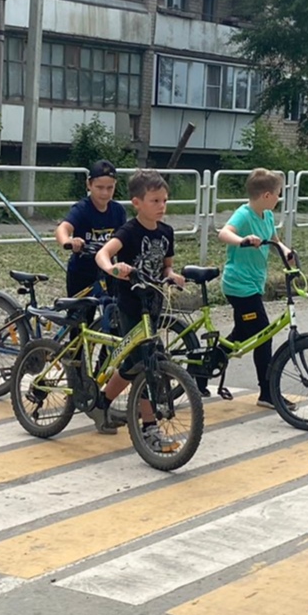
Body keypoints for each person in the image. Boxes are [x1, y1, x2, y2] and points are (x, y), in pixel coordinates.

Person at [93, 169, 187, 436]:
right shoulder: (129, 231)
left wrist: (173, 276)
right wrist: (112, 268)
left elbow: (166, 266)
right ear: (137, 203)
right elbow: (103, 254)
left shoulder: (166, 232)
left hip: (154, 304)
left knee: (137, 364)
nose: (161, 206)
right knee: (145, 362)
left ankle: (102, 402)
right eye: (155, 201)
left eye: (164, 201)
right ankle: (149, 427)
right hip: (131, 304)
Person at [218, 168, 295, 409]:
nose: (279, 198)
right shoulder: (244, 214)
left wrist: (285, 252)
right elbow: (223, 233)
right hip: (239, 285)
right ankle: (267, 392)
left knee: (243, 333)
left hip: (254, 283)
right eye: (278, 194)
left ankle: (204, 366)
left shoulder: (268, 216)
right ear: (266, 195)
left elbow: (274, 239)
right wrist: (243, 240)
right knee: (263, 334)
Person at [54, 160, 126, 299]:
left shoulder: (118, 211)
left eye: (109, 188)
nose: (104, 193)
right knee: (80, 315)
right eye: (99, 187)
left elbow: (125, 237)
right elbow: (63, 228)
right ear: (89, 184)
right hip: (82, 272)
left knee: (114, 312)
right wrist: (68, 241)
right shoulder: (82, 209)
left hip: (108, 270)